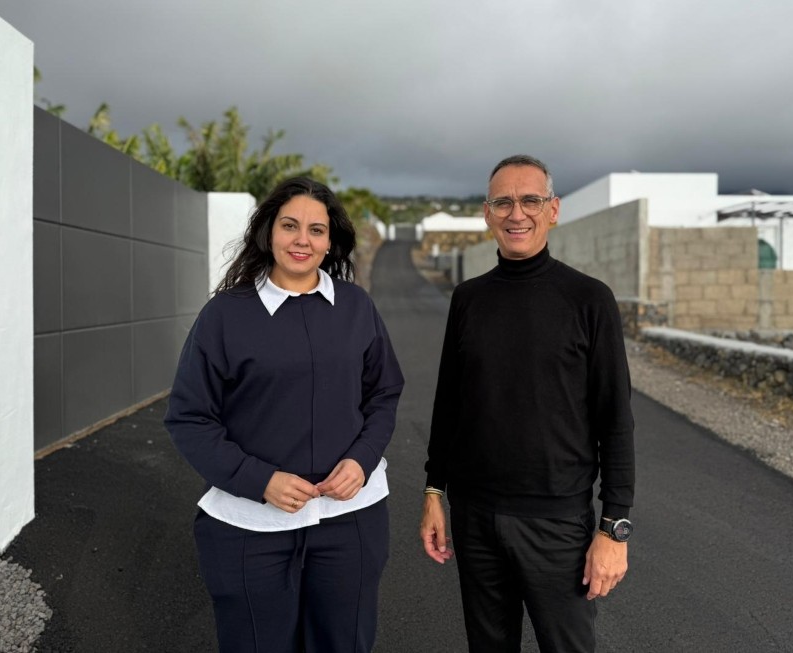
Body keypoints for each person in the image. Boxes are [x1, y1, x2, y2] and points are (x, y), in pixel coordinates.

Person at [165, 177, 404, 653]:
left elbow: (383, 393)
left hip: (349, 519)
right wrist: (260, 480)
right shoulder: (225, 315)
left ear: (330, 240)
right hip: (251, 526)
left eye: (316, 230)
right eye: (290, 225)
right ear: (268, 233)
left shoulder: (356, 307)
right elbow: (190, 417)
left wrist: (360, 460)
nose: (302, 240)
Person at [420, 154, 635, 652]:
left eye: (531, 200)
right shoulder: (467, 300)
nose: (518, 213)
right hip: (475, 517)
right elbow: (449, 402)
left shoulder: (589, 300)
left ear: (553, 210)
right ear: (487, 213)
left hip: (557, 523)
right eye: (504, 202)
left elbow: (616, 421)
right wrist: (434, 490)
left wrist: (614, 529)